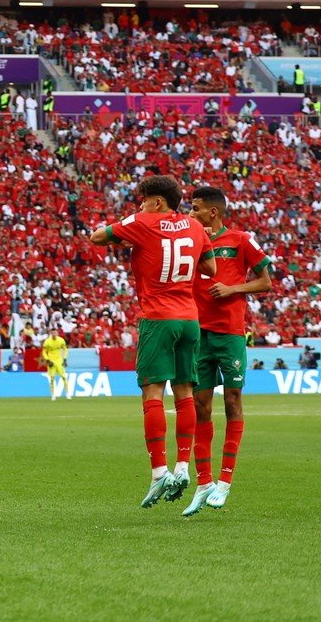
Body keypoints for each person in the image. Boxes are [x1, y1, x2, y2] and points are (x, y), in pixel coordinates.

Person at [91, 175, 216, 509]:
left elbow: (98, 237)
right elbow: (211, 267)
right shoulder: (194, 225)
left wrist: (131, 225)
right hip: (190, 320)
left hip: (158, 318)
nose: (140, 205)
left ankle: (160, 470)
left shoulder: (144, 221)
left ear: (157, 202)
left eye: (143, 200)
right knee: (186, 392)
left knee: (153, 393)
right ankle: (182, 466)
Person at [181, 186, 273, 517]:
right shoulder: (190, 243)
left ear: (213, 212)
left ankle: (225, 481)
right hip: (197, 334)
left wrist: (233, 287)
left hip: (230, 334)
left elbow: (266, 281)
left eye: (195, 208)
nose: (191, 213)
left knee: (232, 400)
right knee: (200, 407)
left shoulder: (240, 240)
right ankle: (203, 483)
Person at [42, 328, 69, 401]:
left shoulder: (61, 340)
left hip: (59, 361)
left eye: (55, 333)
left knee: (63, 377)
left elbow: (65, 349)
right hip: (51, 361)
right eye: (52, 333)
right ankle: (53, 395)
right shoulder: (47, 342)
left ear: (57, 333)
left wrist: (65, 359)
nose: (54, 334)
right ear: (51, 333)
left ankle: (67, 394)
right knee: (52, 378)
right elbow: (44, 352)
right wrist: (47, 360)